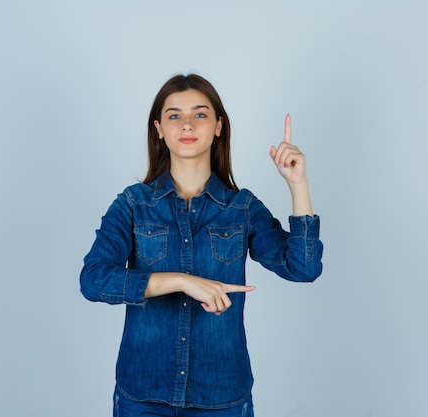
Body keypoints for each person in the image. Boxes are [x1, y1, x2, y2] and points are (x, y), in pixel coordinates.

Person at [80, 73, 323, 416]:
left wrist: (298, 185)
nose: (188, 125)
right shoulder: (134, 205)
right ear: (159, 129)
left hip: (221, 397)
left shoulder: (241, 208)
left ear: (219, 126)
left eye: (200, 114)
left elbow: (303, 267)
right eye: (174, 115)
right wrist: (182, 281)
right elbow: (93, 279)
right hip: (144, 397)